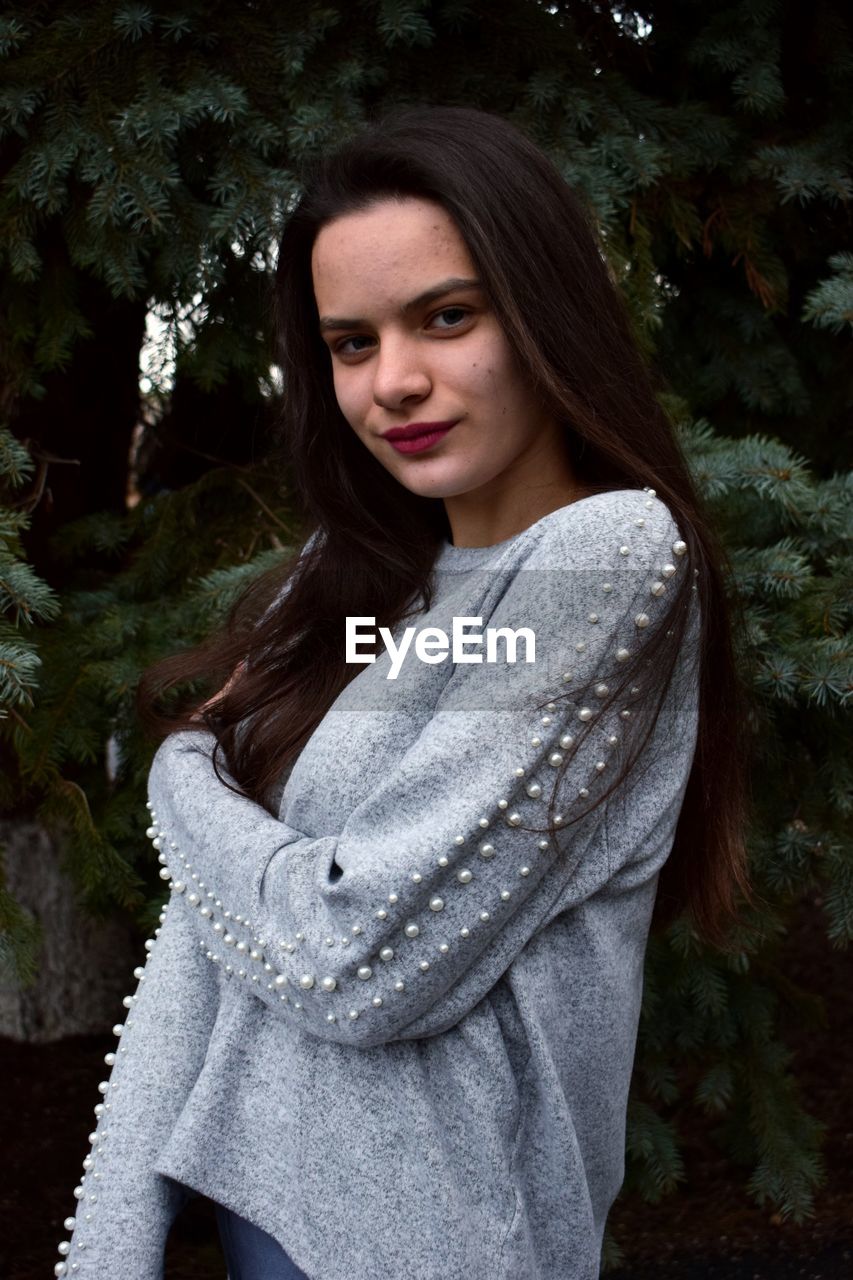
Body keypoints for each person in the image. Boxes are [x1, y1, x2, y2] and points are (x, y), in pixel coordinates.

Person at [53, 104, 755, 1280]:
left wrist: (182, 776)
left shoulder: (606, 558)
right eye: (349, 343)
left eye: (446, 316)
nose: (397, 381)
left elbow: (358, 953)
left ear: (543, 314)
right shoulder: (362, 592)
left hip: (436, 1233)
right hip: (254, 1198)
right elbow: (220, 932)